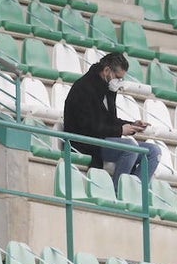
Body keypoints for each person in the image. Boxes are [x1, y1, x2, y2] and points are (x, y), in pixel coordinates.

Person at [62, 52, 160, 187]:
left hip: (101, 139)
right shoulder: (84, 88)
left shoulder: (108, 87)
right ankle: (117, 194)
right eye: (118, 77)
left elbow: (109, 119)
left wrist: (131, 125)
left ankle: (135, 193)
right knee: (130, 148)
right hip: (84, 141)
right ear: (107, 70)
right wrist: (119, 130)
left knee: (154, 152)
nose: (119, 82)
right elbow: (89, 127)